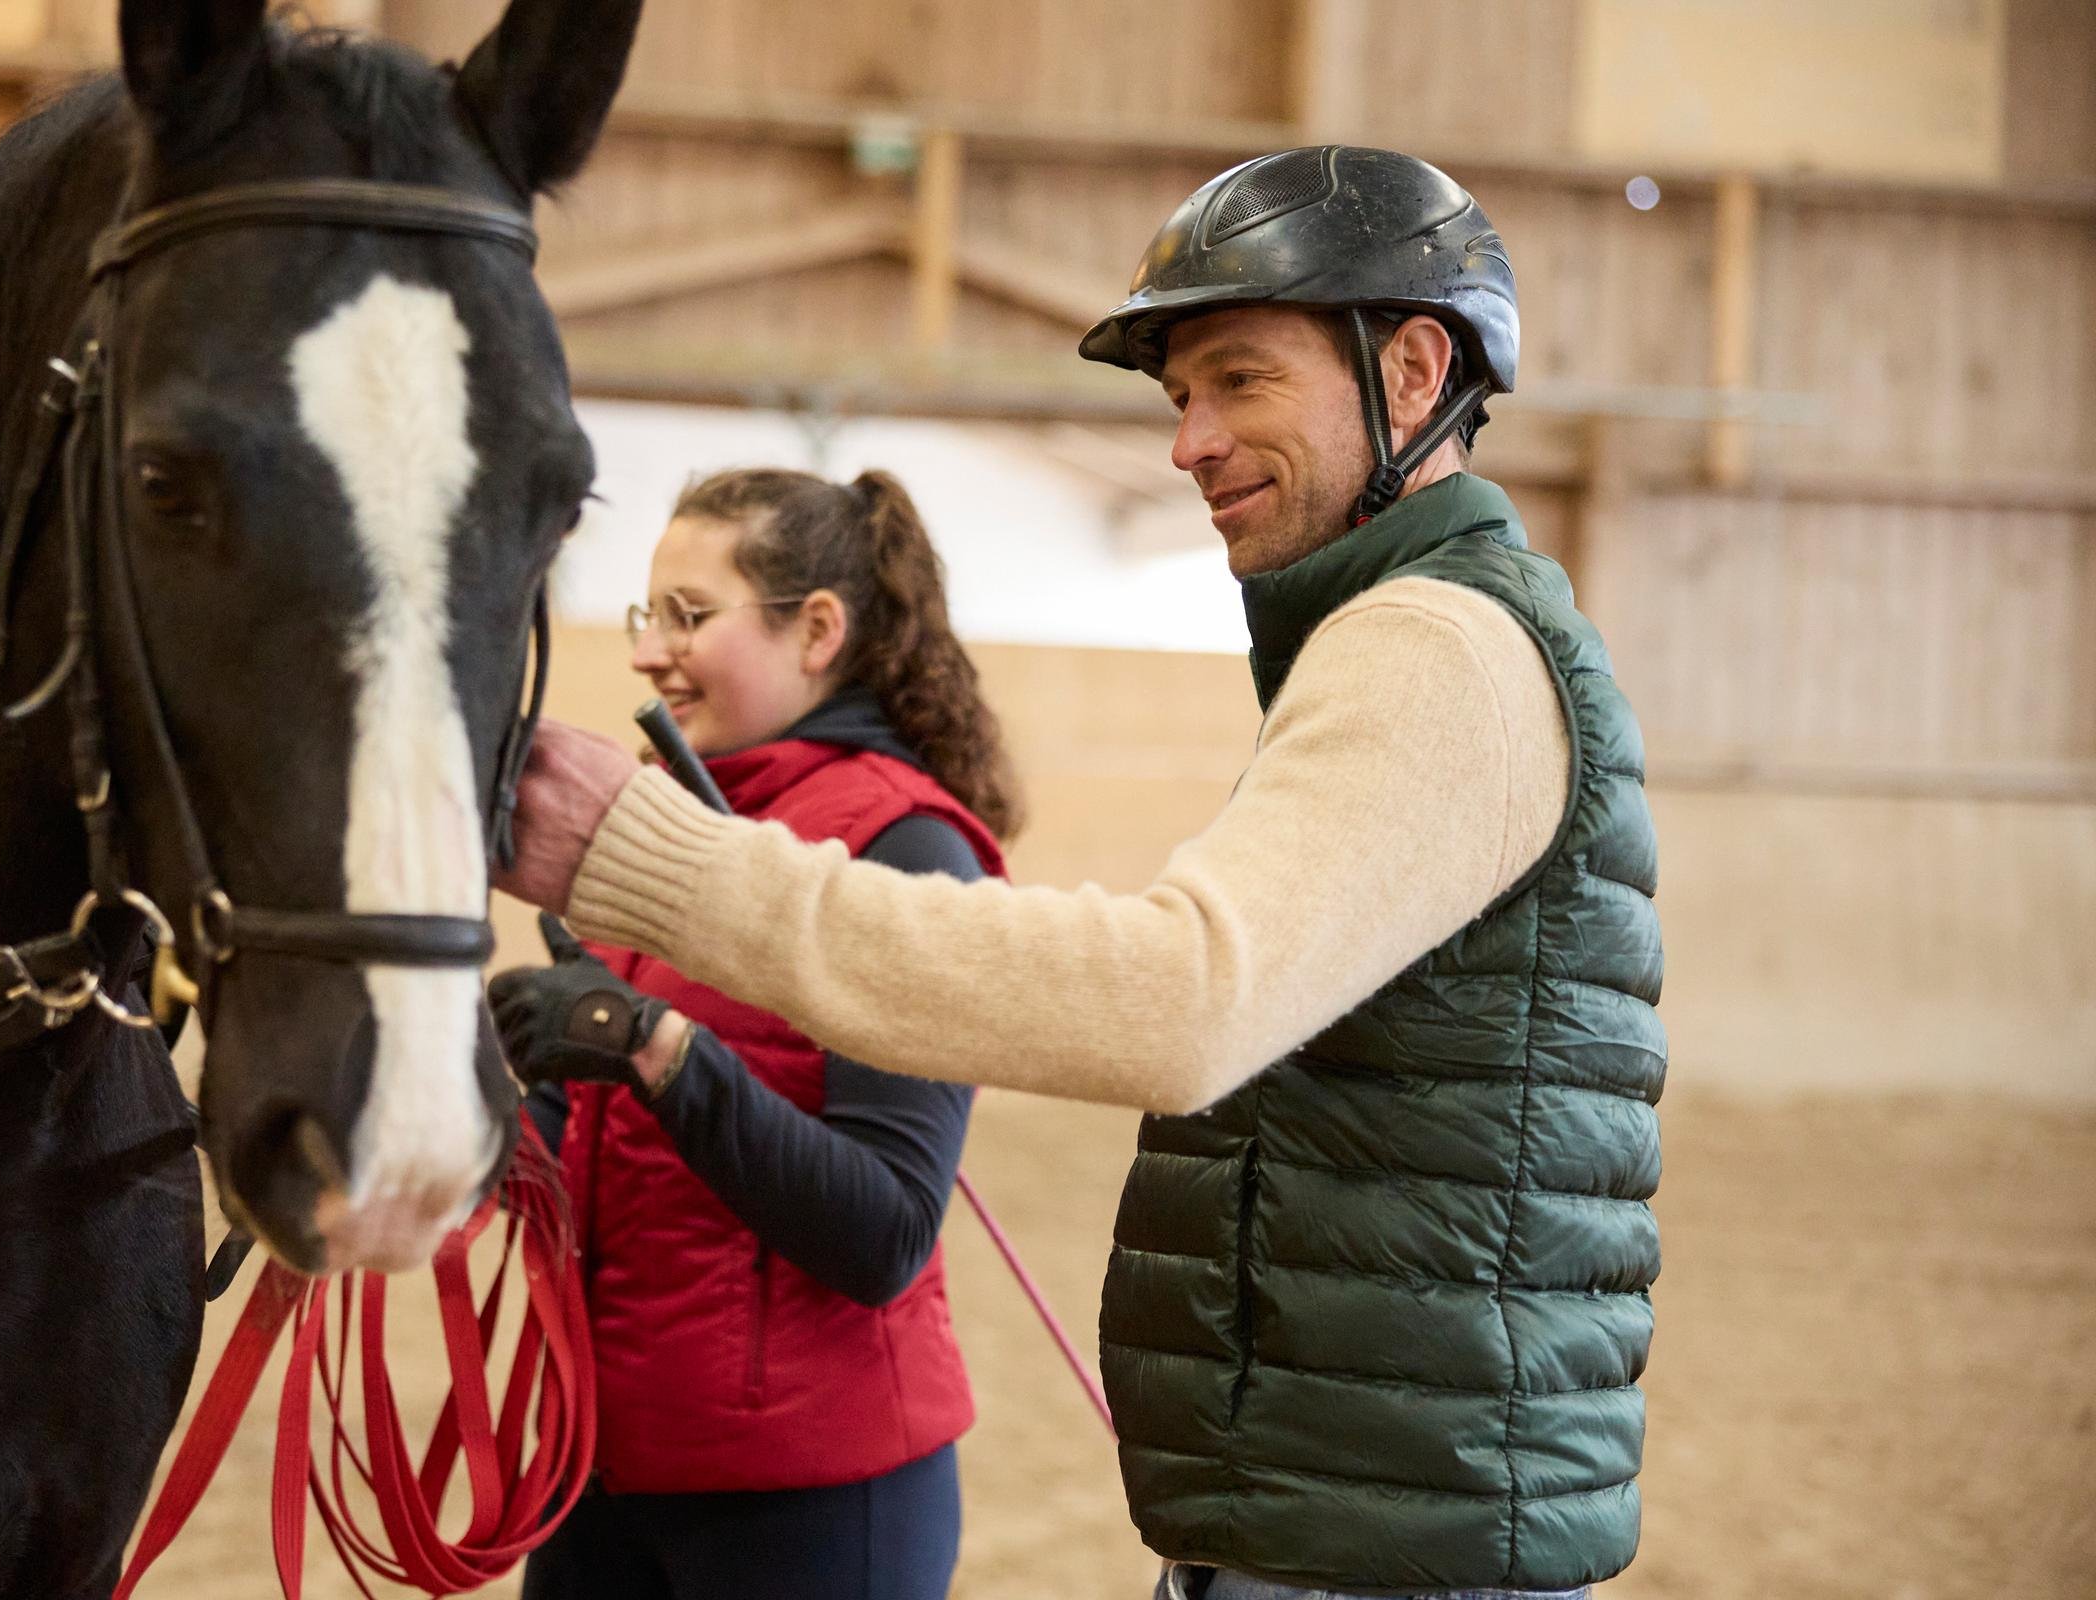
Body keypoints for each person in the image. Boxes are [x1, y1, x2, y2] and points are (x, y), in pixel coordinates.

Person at [492, 146, 1664, 1600]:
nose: (1188, 442)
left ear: (1414, 373)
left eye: (1239, 380)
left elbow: (1177, 1000)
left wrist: (651, 865)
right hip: (1344, 1504)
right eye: (1182, 398)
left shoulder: (1436, 648)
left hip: (1383, 1538)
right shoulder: (1412, 637)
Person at [487, 467, 1020, 1600]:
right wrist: (497, 1089)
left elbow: (882, 1230)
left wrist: (657, 1050)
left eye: (688, 616)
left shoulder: (908, 850)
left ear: (817, 629)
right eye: (648, 616)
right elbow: (586, 1161)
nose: (647, 652)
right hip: (604, 1470)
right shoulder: (661, 836)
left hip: (810, 1501)